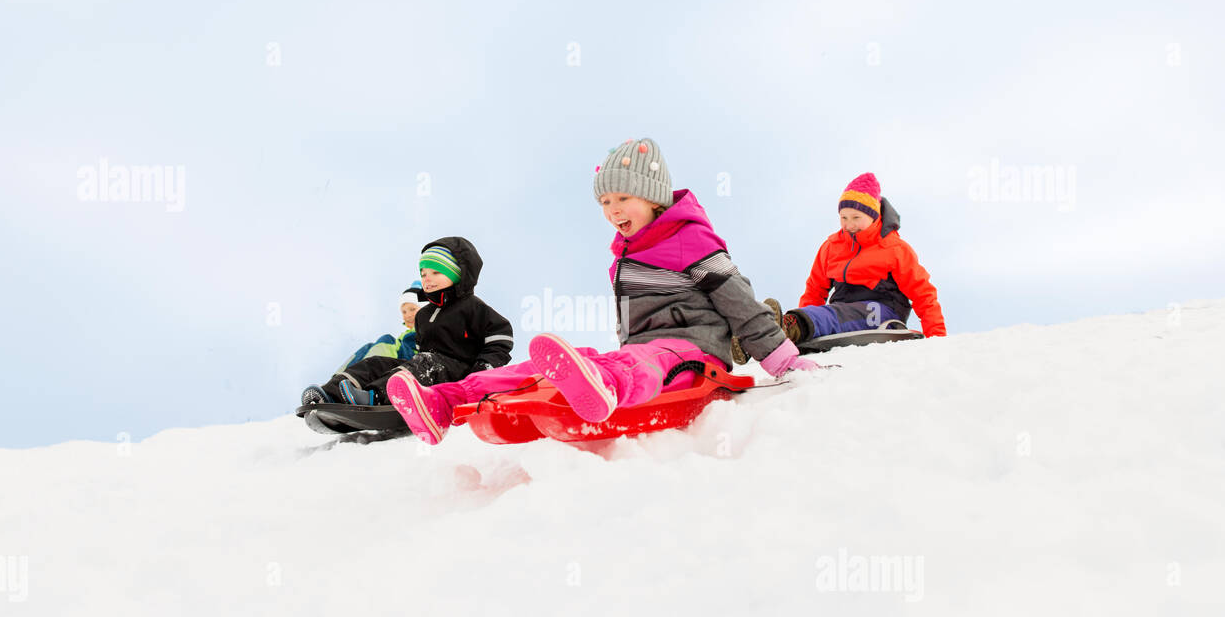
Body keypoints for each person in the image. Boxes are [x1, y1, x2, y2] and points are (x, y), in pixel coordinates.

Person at [385, 137, 818, 445]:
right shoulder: (627, 254)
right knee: (563, 365)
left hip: (694, 355)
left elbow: (739, 301)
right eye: (605, 203)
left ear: (653, 198)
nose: (612, 211)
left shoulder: (694, 239)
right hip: (640, 354)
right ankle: (444, 400)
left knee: (640, 362)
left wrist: (784, 360)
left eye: (622, 199)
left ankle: (605, 386)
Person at [300, 239, 514, 406]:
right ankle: (330, 394)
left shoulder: (471, 306)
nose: (426, 279)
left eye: (435, 272)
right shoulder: (424, 315)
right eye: (423, 274)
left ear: (457, 274)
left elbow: (501, 337)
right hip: (426, 368)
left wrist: (482, 368)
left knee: (425, 363)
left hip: (459, 372)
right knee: (378, 362)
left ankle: (376, 397)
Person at [775, 172, 946, 345]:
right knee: (835, 313)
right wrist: (804, 317)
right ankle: (774, 330)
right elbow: (815, 289)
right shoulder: (832, 246)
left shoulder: (894, 249)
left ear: (874, 216)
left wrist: (936, 337)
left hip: (883, 312)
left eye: (856, 218)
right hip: (841, 311)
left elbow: (923, 293)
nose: (848, 225)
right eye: (844, 218)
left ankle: (793, 326)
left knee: (839, 315)